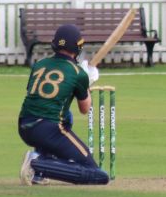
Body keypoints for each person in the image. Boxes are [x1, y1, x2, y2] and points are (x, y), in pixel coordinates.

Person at [17, 24, 109, 185]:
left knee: (67, 116)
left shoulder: (40, 64)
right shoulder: (78, 73)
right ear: (77, 47)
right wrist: (87, 83)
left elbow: (39, 97)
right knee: (97, 174)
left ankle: (39, 172)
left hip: (24, 125)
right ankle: (37, 164)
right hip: (48, 129)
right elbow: (85, 108)